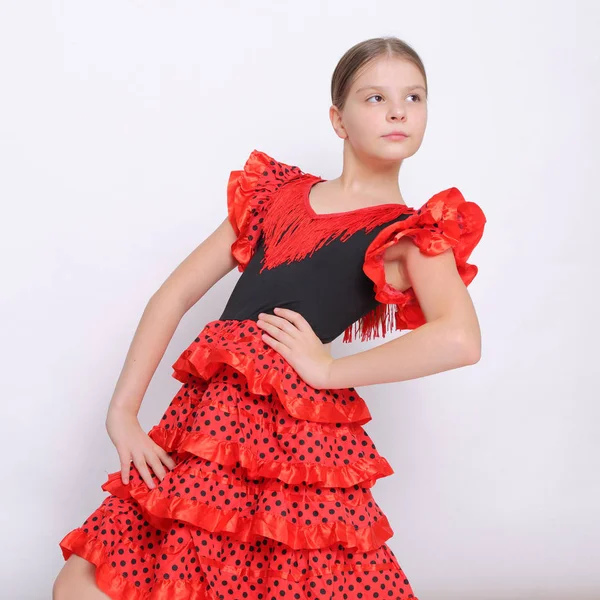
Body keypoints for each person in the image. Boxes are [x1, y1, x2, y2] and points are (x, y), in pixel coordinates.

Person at [53, 35, 486, 600]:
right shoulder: (274, 196)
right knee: (83, 582)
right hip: (208, 430)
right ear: (339, 119)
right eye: (374, 98)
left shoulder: (406, 235)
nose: (398, 110)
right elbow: (174, 294)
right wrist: (123, 414)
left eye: (414, 97)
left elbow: (459, 338)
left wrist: (329, 371)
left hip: (293, 447)